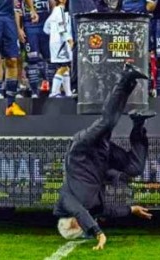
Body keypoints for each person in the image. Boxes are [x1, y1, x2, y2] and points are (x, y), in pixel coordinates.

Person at [54, 63, 154, 250]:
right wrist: (132, 209)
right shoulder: (94, 208)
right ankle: (138, 123)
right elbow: (111, 211)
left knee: (107, 122)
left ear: (74, 222)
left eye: (80, 226)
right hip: (101, 158)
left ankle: (126, 77)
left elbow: (79, 211)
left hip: (82, 149)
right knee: (135, 167)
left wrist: (97, 233)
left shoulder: (64, 203)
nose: (85, 223)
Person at [16, 0, 53, 98]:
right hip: (29, 26)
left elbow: (53, 4)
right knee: (32, 60)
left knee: (50, 59)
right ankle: (34, 92)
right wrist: (19, 28)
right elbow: (17, 8)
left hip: (45, 25)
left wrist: (54, 21)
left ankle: (52, 90)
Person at [44, 0, 73, 97]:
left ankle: (68, 92)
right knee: (63, 67)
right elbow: (62, 28)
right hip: (61, 43)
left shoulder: (54, 11)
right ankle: (54, 92)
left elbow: (46, 27)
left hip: (55, 42)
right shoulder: (60, 10)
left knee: (66, 68)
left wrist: (53, 34)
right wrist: (70, 40)